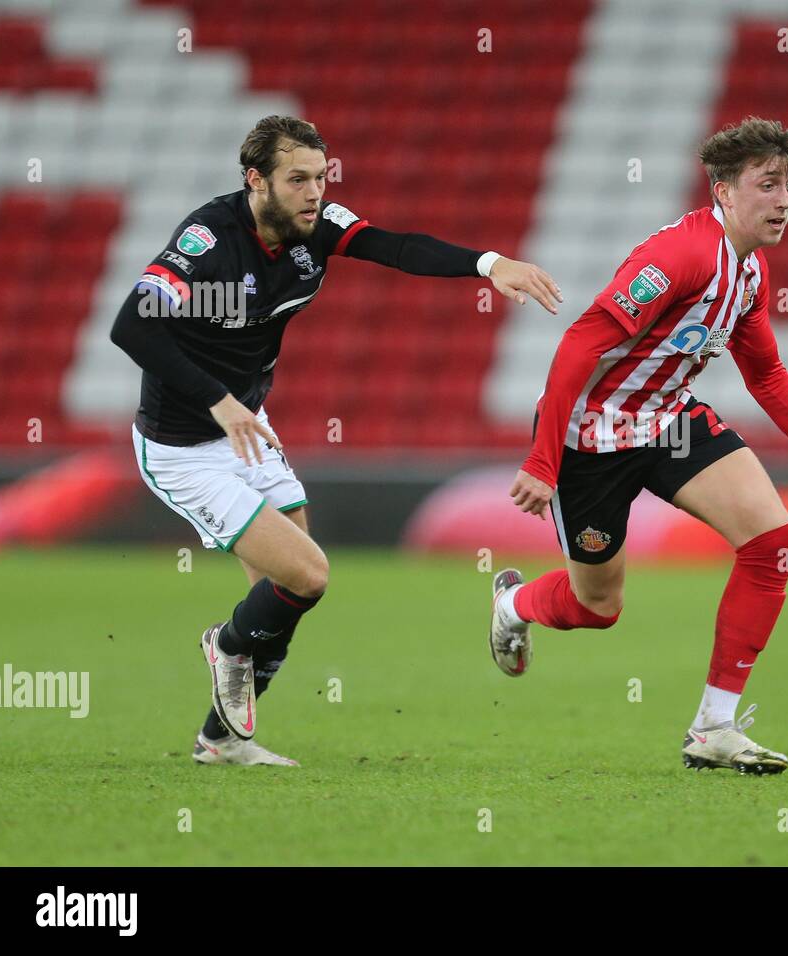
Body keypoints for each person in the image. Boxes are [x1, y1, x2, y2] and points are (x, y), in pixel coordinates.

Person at [111, 115, 562, 766]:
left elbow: (395, 247)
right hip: (183, 443)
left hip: (249, 432)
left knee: (282, 606)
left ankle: (219, 740)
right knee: (308, 575)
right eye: (297, 179)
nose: (314, 191)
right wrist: (220, 401)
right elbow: (133, 326)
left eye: (321, 177)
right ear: (255, 181)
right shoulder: (209, 241)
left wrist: (489, 265)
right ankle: (226, 647)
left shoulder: (313, 230)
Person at [488, 116, 788, 775]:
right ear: (725, 192)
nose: (784, 199)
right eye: (768, 185)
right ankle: (513, 604)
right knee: (599, 608)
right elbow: (581, 342)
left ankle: (714, 726)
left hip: (668, 422)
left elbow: (765, 375)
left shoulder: (751, 271)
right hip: (589, 440)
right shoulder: (679, 255)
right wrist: (543, 458)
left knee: (773, 542)